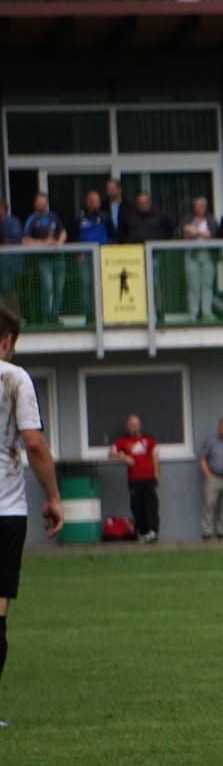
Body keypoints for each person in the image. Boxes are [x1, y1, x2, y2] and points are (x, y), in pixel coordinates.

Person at [0, 307, 65, 728]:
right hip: (4, 508)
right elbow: (35, 445)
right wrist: (54, 496)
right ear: (6, 340)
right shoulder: (13, 378)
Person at [110, 413, 161, 544]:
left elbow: (155, 457)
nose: (134, 428)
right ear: (127, 427)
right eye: (132, 425)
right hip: (134, 479)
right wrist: (124, 457)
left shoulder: (148, 440)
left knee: (151, 505)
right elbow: (111, 454)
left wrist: (156, 474)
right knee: (137, 506)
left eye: (136, 425)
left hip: (148, 477)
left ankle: (153, 531)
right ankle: (143, 532)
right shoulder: (123, 442)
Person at [21, 194, 66, 323]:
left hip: (59, 258)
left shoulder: (54, 216)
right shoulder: (32, 219)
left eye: (43, 203)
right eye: (39, 203)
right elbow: (25, 240)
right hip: (44, 260)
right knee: (47, 287)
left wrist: (59, 242)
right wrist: (43, 242)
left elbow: (63, 231)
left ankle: (54, 316)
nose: (41, 205)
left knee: (59, 288)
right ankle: (45, 316)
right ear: (35, 204)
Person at [180, 197, 216, 321]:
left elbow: (212, 234)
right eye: (196, 206)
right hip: (191, 255)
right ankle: (193, 313)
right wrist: (202, 233)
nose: (198, 208)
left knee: (207, 284)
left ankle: (207, 312)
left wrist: (196, 232)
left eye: (201, 206)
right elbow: (185, 231)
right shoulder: (188, 218)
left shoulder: (211, 220)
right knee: (193, 285)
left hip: (207, 255)